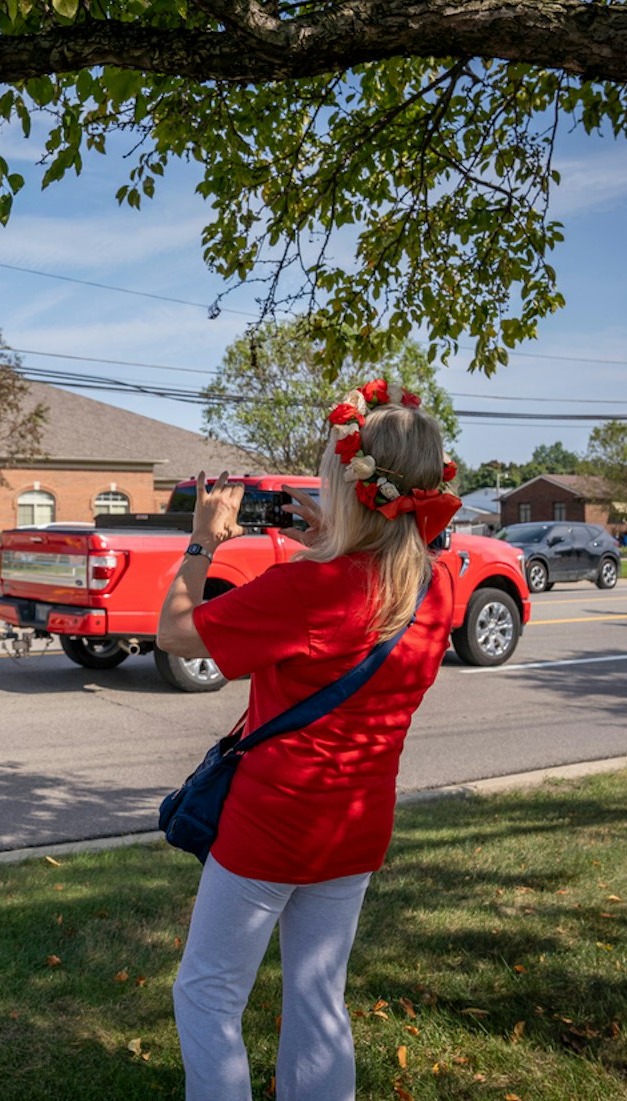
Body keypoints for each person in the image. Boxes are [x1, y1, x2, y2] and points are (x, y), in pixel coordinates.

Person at [156, 379, 461, 1101]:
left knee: (207, 994)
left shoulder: (306, 590)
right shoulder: (439, 587)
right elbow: (390, 557)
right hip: (356, 826)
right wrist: (340, 530)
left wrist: (203, 538)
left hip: (272, 825)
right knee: (319, 999)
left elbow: (175, 632)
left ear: (349, 484)